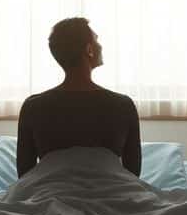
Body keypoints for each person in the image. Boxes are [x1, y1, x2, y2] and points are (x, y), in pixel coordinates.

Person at [17, 17, 141, 177]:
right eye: (97, 40)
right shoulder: (123, 105)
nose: (100, 45)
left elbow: (25, 174)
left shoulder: (32, 107)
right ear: (89, 50)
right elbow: (133, 172)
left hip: (50, 195)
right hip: (110, 196)